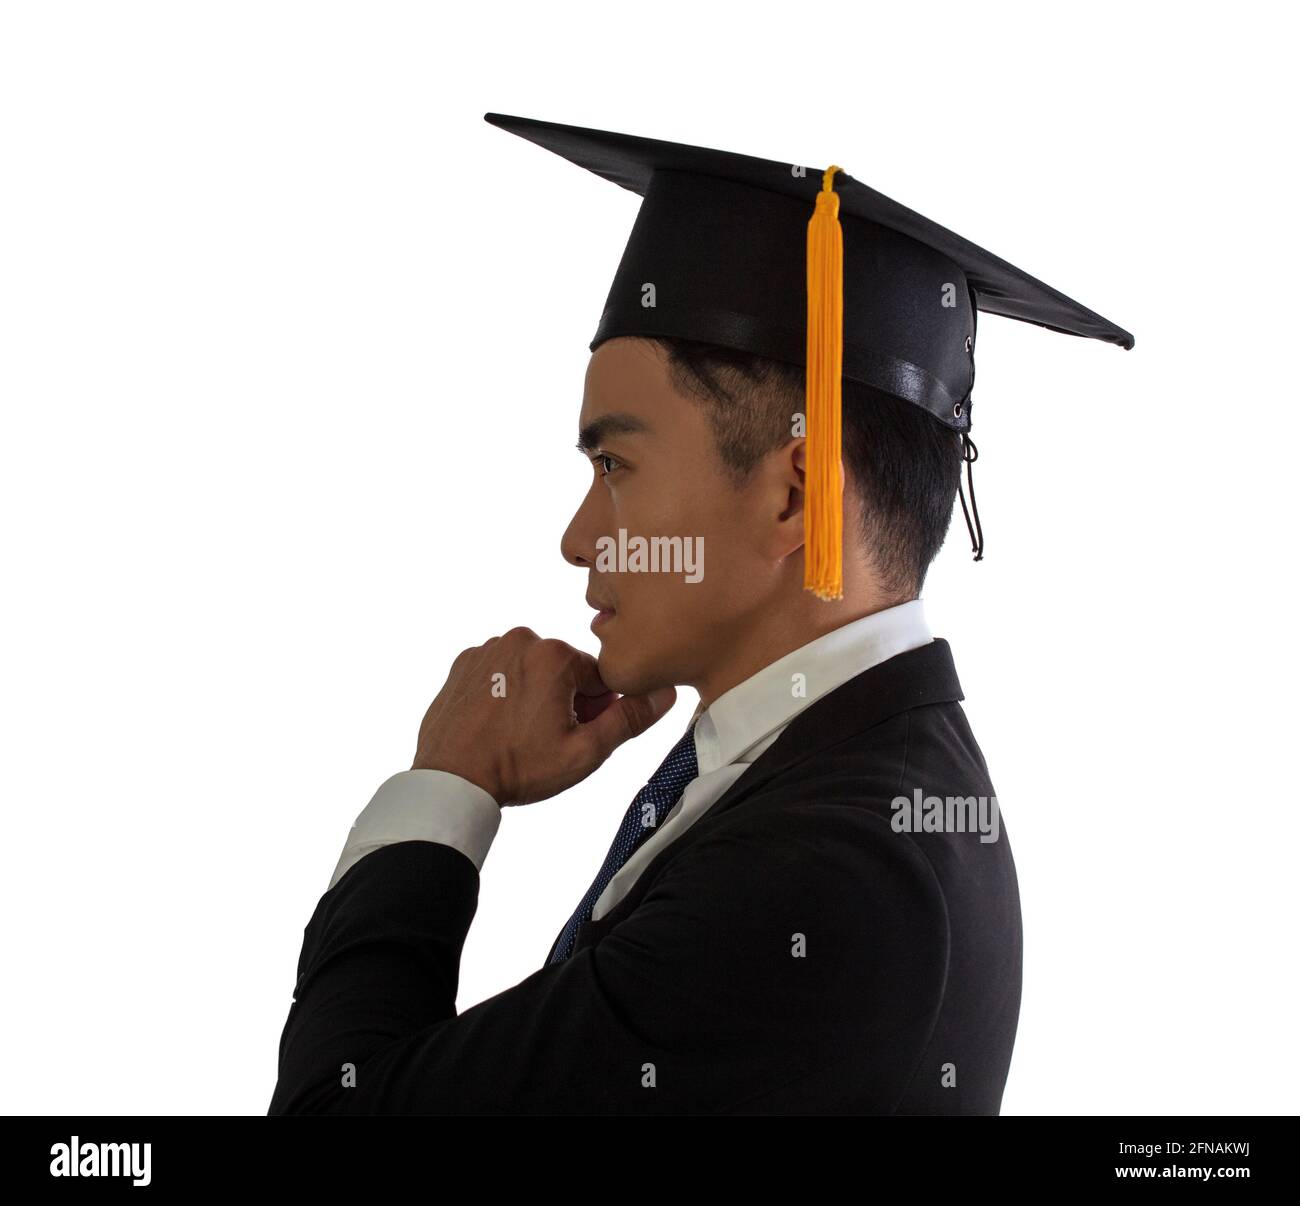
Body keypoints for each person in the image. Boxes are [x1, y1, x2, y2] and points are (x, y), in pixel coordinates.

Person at [267, 113, 1133, 1115]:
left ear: (795, 498)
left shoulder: (822, 880)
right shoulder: (854, 774)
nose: (579, 535)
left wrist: (444, 789)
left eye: (614, 465)